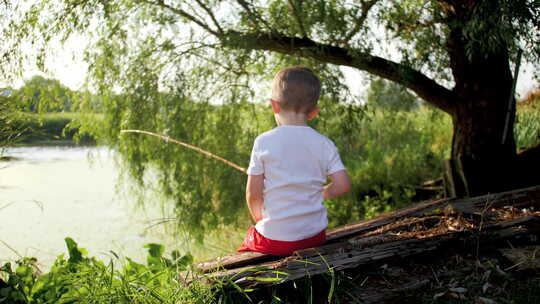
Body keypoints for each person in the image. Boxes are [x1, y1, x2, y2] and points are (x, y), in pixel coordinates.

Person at [237, 66, 351, 256]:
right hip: (314, 236)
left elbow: (253, 194)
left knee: (249, 240)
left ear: (274, 105)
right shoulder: (325, 143)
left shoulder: (263, 142)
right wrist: (321, 194)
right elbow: (343, 185)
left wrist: (259, 218)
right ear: (314, 112)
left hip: (275, 240)